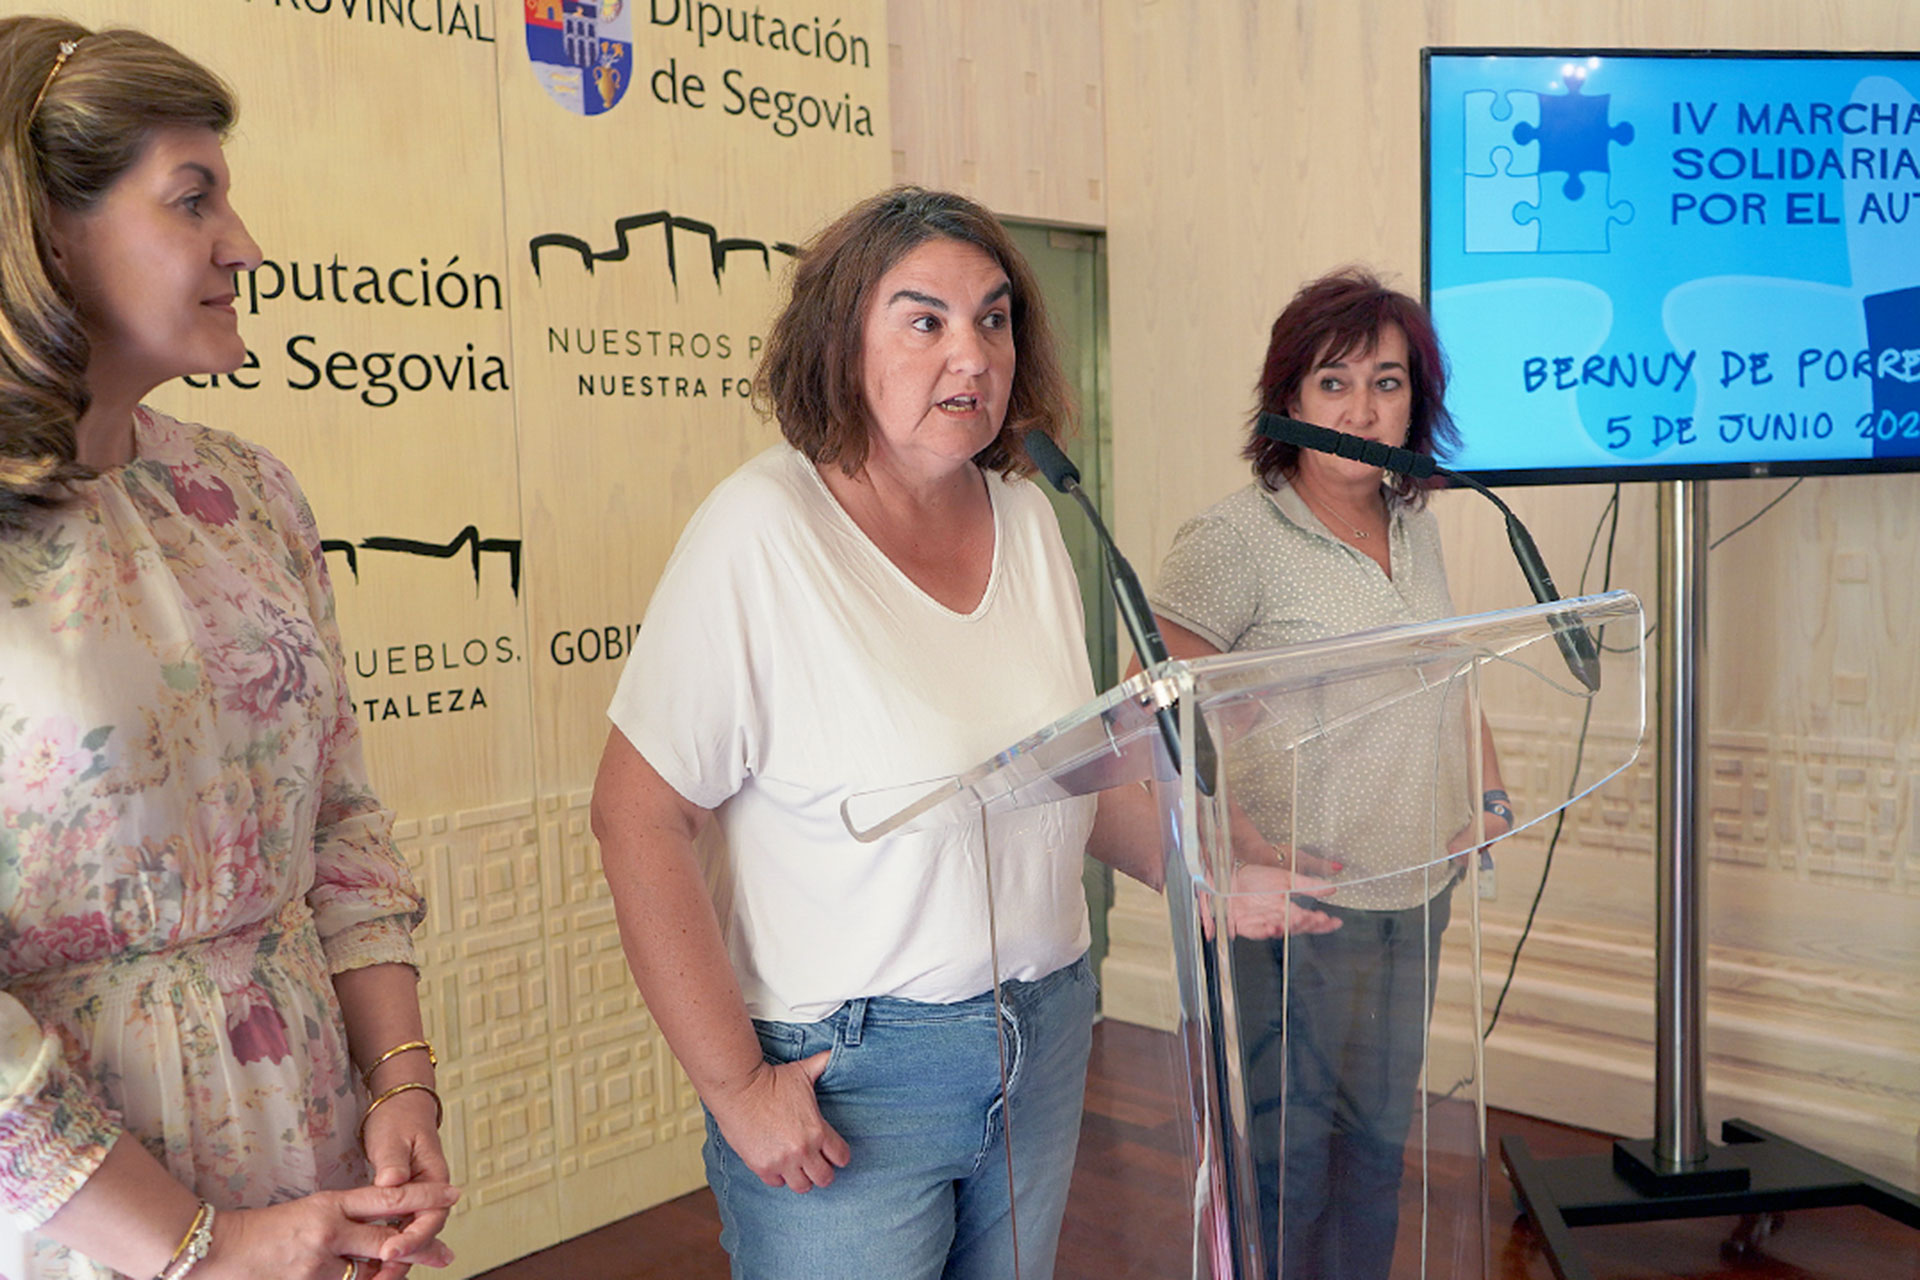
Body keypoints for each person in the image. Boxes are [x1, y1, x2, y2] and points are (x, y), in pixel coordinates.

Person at [591, 186, 1334, 1280]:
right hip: (853, 1070)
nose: (973, 355)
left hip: (1044, 1029)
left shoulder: (1028, 516)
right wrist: (737, 1086)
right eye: (924, 319)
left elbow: (1052, 775)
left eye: (993, 318)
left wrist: (1204, 865)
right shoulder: (762, 530)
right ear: (842, 340)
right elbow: (636, 813)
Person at [0, 19, 458, 1280]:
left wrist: (400, 1084)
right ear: (46, 231)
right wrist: (198, 1248)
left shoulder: (249, 494)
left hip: (316, 1168)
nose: (244, 247)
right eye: (192, 200)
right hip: (83, 1222)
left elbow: (344, 819)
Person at [1147, 268, 1510, 1280]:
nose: (1363, 407)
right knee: (1286, 1165)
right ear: (1290, 399)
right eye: (1334, 381)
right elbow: (1155, 715)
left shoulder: (1414, 521)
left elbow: (1443, 669)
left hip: (1413, 891)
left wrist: (1484, 791)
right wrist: (1241, 849)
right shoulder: (1235, 540)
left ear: (1416, 398)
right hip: (1293, 908)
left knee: (1375, 1149)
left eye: (1387, 382)